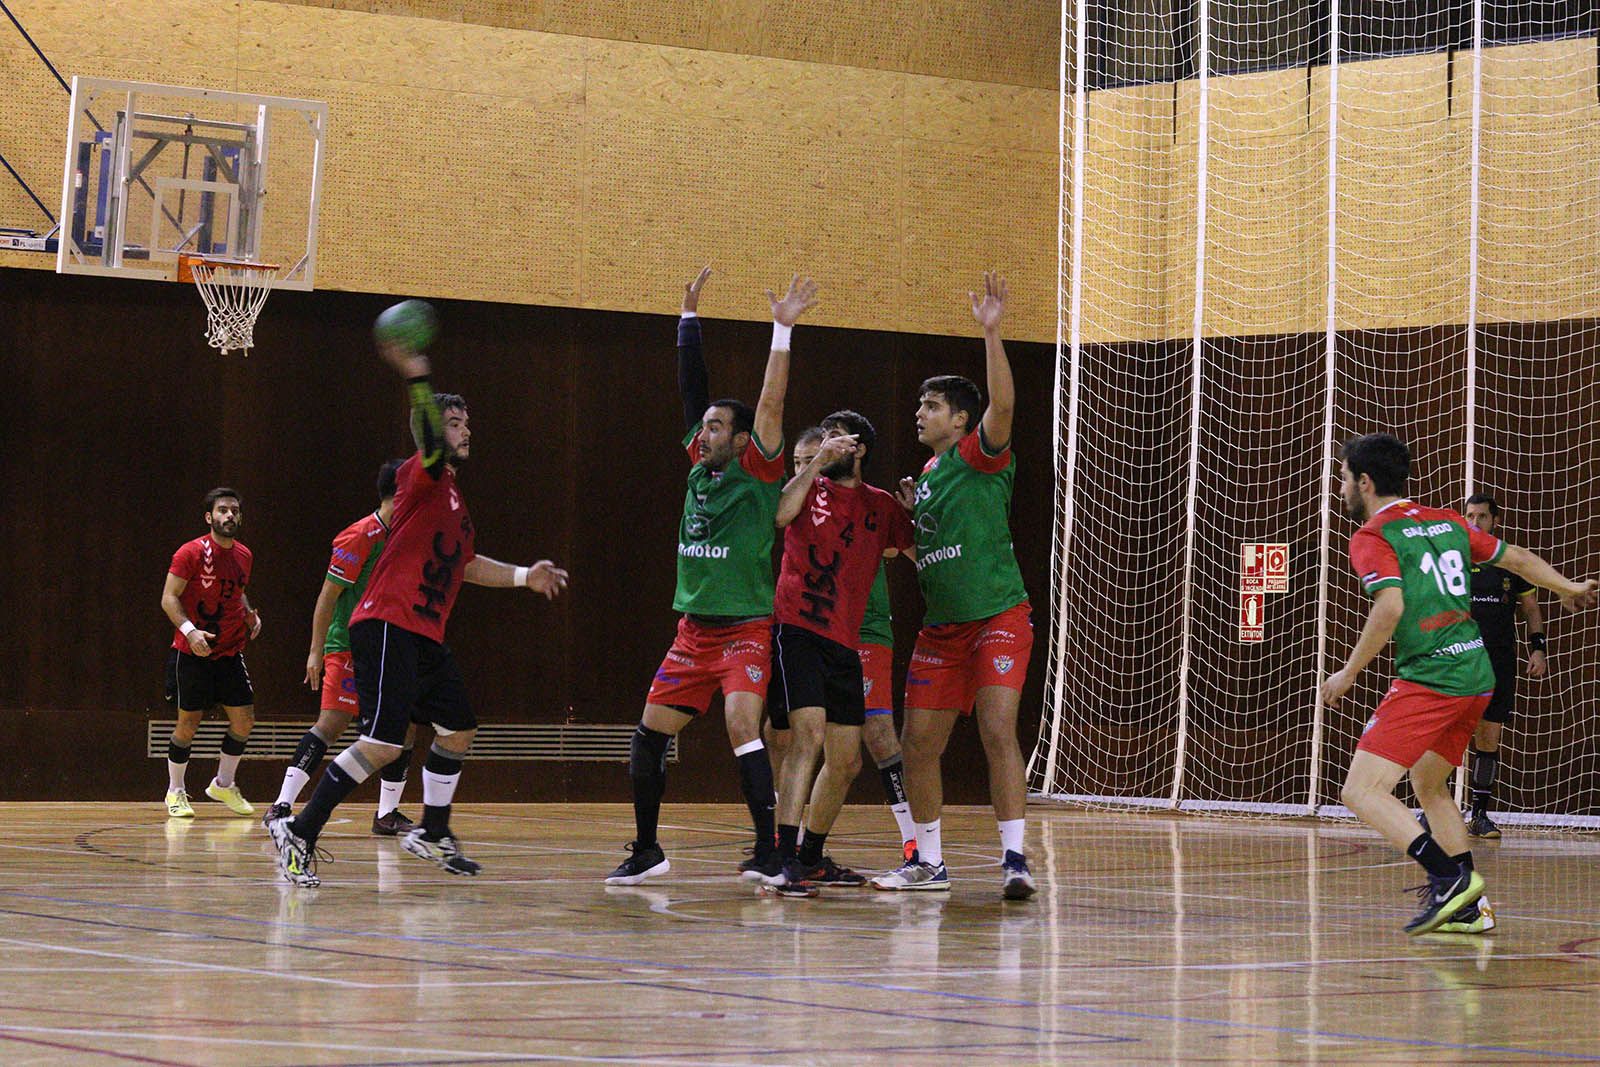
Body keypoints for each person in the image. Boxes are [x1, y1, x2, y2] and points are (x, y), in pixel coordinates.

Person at [269, 327, 569, 887]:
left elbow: (466, 564)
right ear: (432, 429)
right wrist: (418, 376)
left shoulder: (454, 501)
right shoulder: (422, 475)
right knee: (383, 742)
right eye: (455, 422)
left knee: (458, 729)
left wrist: (525, 576)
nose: (465, 429)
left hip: (424, 634)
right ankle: (300, 831)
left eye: (466, 422)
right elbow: (427, 432)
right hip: (386, 623)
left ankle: (432, 830)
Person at [1321, 434, 1594, 935]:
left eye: (1343, 478)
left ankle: (1449, 880)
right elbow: (1516, 558)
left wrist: (1349, 672)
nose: (1340, 488)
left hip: (1433, 678)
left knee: (1361, 790)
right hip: (1476, 672)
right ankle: (1470, 907)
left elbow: (1390, 607)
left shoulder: (1373, 536)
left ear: (1365, 482)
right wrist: (1567, 585)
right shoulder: (1447, 521)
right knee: (1428, 783)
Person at [604, 266, 818, 887]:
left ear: (745, 439)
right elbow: (691, 391)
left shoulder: (758, 470)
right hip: (693, 633)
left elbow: (771, 403)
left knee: (742, 727)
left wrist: (782, 331)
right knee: (648, 736)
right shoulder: (700, 468)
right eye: (704, 427)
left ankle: (770, 853)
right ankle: (648, 850)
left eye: (718, 427)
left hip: (744, 630)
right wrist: (688, 319)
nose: (705, 433)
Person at [872, 273, 1036, 900]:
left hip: (997, 616)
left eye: (932, 405)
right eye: (920, 405)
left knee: (997, 729)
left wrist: (992, 332)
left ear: (961, 418)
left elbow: (1005, 407)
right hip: (941, 630)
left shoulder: (979, 454)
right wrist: (912, 517)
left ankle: (1015, 860)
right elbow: (927, 556)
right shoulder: (930, 476)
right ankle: (930, 864)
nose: (920, 413)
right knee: (917, 745)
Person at [768, 411, 913, 889]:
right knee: (806, 736)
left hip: (845, 642)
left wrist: (916, 512)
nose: (828, 443)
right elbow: (779, 514)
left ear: (859, 449)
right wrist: (813, 465)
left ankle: (811, 856)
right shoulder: (809, 488)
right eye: (823, 437)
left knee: (847, 760)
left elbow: (916, 551)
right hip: (798, 629)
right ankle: (782, 858)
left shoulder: (880, 505)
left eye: (837, 438)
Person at [264, 459, 418, 835]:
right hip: (348, 645)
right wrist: (315, 651)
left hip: (390, 648)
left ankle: (387, 814)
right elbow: (328, 596)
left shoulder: (409, 535)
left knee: (406, 727)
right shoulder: (360, 535)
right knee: (332, 724)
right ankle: (281, 804)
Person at [159, 487, 262, 818]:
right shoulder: (189, 552)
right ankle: (175, 791)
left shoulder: (244, 555)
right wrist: (190, 632)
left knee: (244, 721)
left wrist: (249, 614)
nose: (229, 515)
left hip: (229, 651)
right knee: (188, 724)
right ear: (209, 517)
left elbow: (238, 591)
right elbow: (169, 597)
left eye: (234, 510)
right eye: (222, 510)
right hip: (192, 653)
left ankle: (223, 784)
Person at [1461, 492, 1547, 840]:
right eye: (1469, 516)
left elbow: (1531, 609)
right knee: (1444, 735)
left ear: (1495, 520)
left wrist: (1538, 648)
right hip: (1458, 661)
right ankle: (1432, 812)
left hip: (1498, 660)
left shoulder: (1511, 561)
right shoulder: (1453, 559)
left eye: (1482, 516)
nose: (1475, 522)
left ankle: (1479, 815)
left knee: (1489, 735)